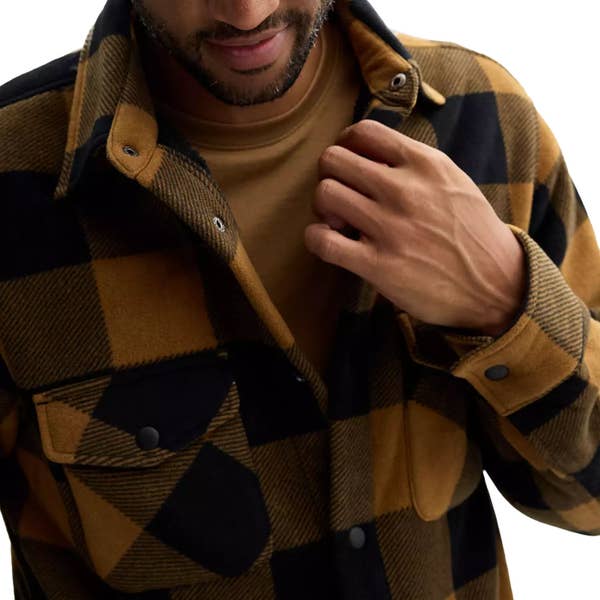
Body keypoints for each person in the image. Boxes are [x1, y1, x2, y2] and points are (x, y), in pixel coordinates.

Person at [0, 0, 598, 597]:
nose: (247, 13)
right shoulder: (12, 177)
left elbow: (587, 500)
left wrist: (504, 303)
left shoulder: (481, 115)